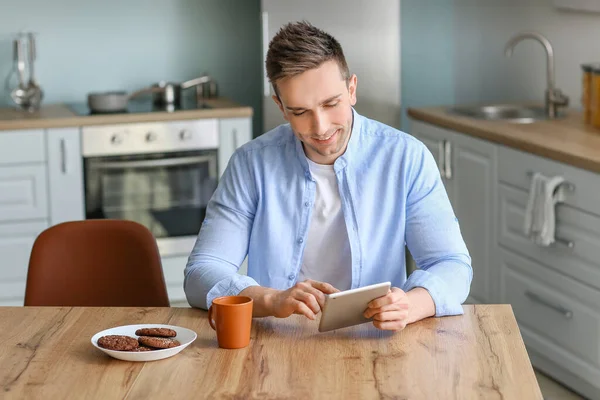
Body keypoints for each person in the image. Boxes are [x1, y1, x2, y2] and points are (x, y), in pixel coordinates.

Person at [184, 21, 472, 331]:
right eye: (299, 111)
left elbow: (451, 264)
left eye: (330, 104)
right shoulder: (250, 164)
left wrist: (411, 305)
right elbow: (202, 273)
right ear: (280, 107)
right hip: (277, 341)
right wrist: (271, 300)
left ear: (351, 89)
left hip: (376, 340)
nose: (320, 127)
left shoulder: (406, 158)